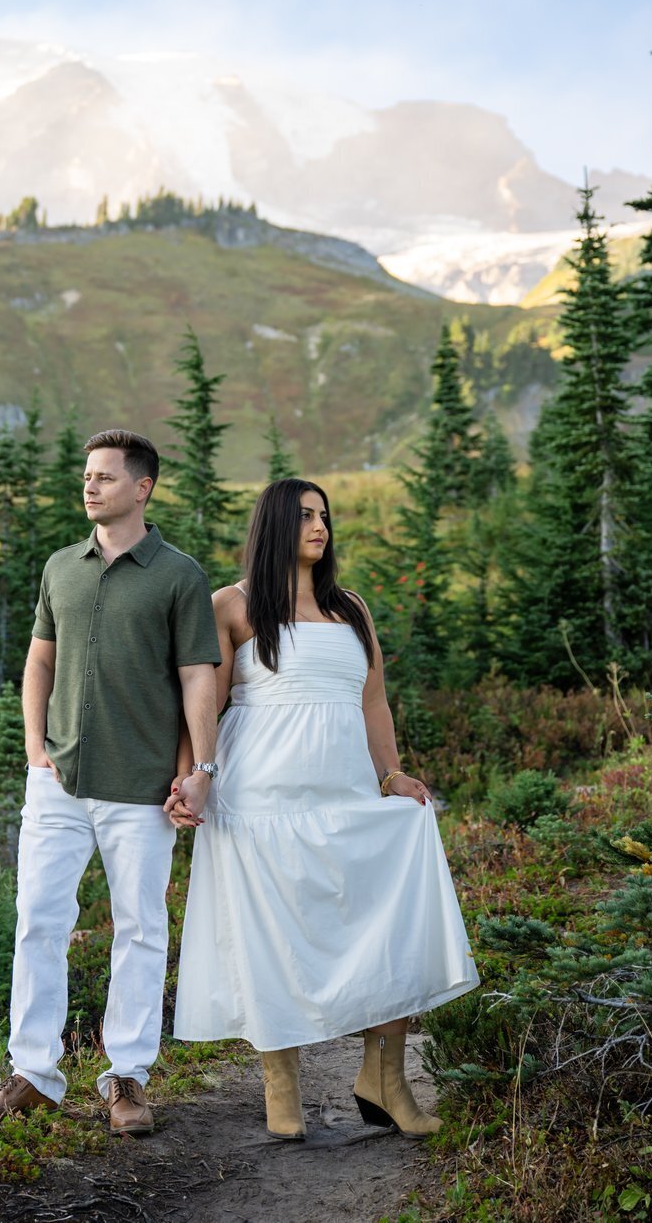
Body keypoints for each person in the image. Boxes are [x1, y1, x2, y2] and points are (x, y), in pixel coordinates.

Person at [170, 477, 478, 1141]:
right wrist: (193, 777)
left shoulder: (351, 608)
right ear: (276, 523)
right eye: (306, 515)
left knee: (386, 918)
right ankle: (281, 1089)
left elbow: (372, 702)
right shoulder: (233, 605)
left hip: (343, 792)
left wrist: (390, 773)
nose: (320, 526)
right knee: (268, 938)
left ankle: (383, 1079)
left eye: (325, 515)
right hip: (259, 797)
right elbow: (205, 702)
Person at [0, 429, 220, 1135]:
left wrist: (200, 771)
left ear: (142, 488)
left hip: (142, 790)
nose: (89, 486)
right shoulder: (59, 567)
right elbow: (40, 661)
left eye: (104, 476)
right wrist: (35, 745)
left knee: (139, 929)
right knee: (38, 922)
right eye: (86, 476)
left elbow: (198, 677)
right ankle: (32, 1077)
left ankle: (125, 1079)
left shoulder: (179, 575)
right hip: (58, 783)